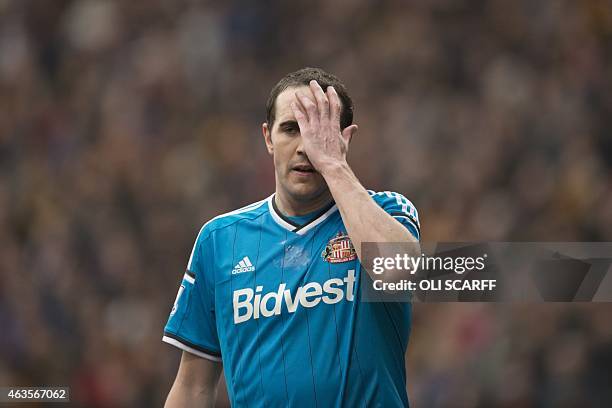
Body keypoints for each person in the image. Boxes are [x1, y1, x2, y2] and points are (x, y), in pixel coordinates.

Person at [163, 67, 421, 407]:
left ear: (345, 138)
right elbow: (192, 386)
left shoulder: (387, 209)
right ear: (268, 138)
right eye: (291, 129)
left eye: (320, 132)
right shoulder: (219, 239)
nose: (305, 147)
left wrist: (333, 165)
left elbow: (403, 272)